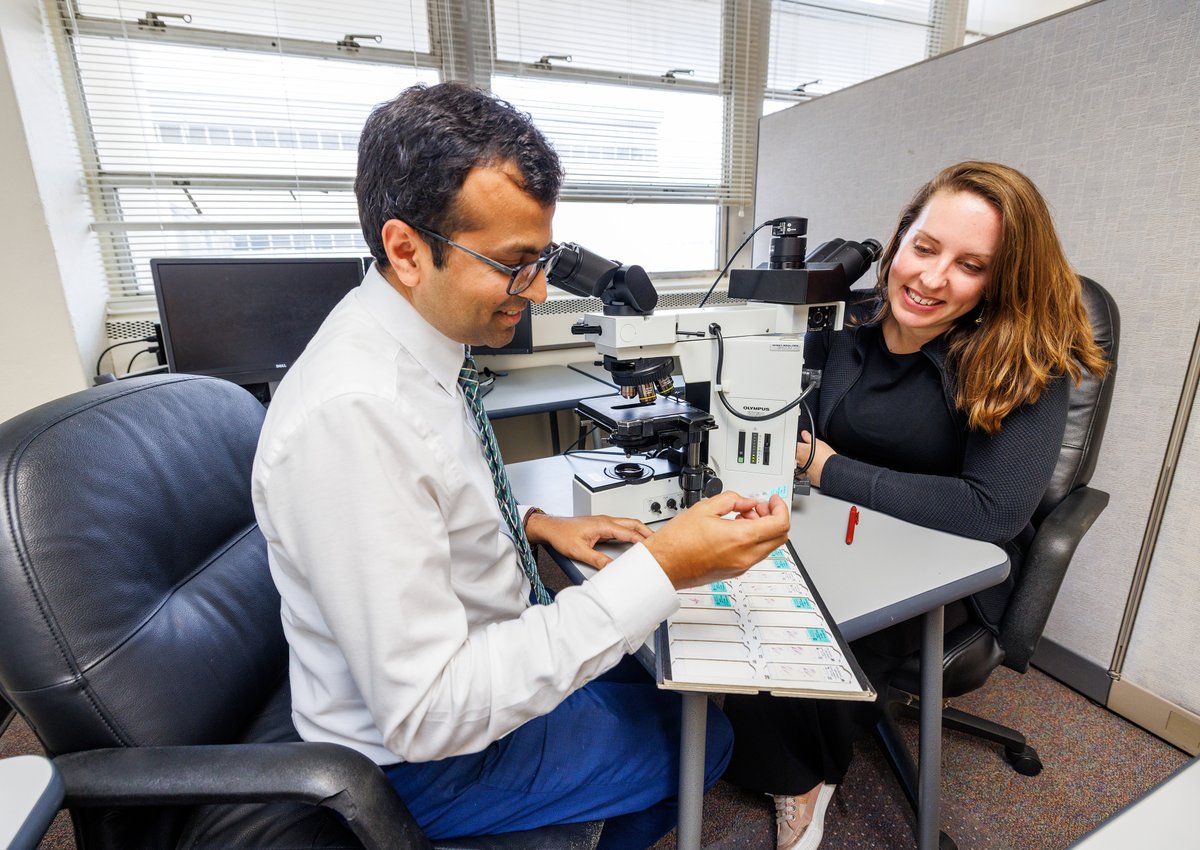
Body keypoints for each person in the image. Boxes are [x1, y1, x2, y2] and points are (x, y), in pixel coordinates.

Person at [250, 81, 791, 850]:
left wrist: (533, 522)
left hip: (469, 661)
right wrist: (668, 565)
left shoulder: (411, 347)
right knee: (711, 742)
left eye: (543, 259)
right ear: (406, 250)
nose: (536, 291)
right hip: (418, 760)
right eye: (512, 264)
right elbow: (429, 711)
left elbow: (422, 494)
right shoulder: (355, 415)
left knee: (658, 681)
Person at [721, 161, 1108, 850]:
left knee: (805, 618)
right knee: (734, 581)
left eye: (970, 265)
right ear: (900, 240)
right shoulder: (852, 318)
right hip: (836, 525)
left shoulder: (1025, 361)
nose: (931, 279)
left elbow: (991, 511)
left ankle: (803, 782)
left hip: (945, 564)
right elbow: (787, 414)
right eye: (924, 248)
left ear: (1003, 279)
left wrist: (828, 467)